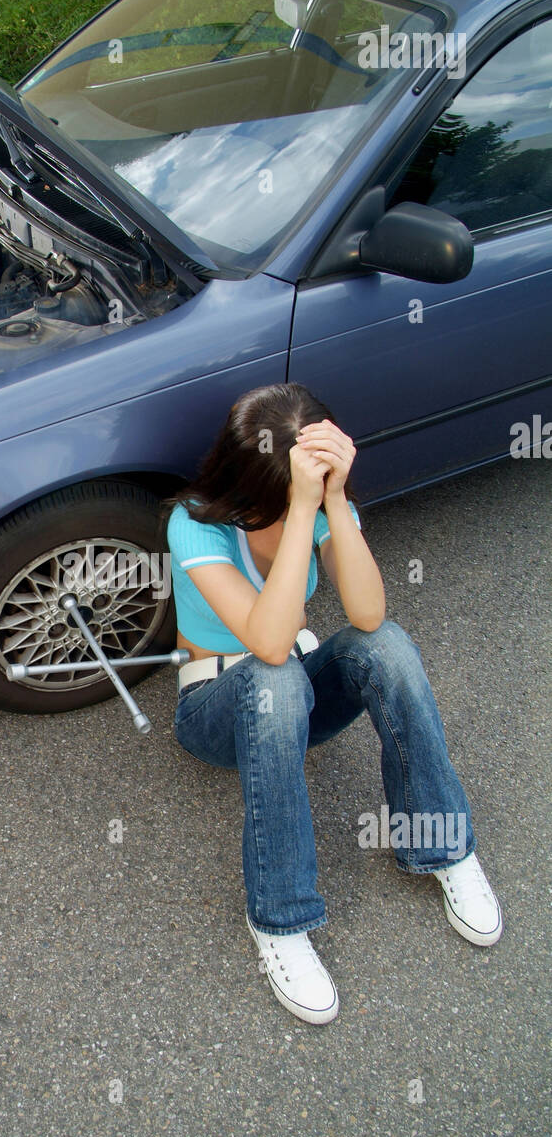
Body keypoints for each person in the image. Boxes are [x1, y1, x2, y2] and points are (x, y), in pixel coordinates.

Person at [165, 382, 501, 1026]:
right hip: (217, 704)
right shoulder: (195, 523)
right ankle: (280, 920)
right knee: (277, 676)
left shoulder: (322, 505)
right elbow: (265, 641)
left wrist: (336, 502)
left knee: (389, 647)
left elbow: (369, 612)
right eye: (305, 487)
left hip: (291, 688)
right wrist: (298, 511)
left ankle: (443, 845)